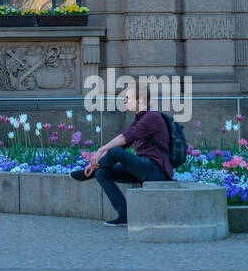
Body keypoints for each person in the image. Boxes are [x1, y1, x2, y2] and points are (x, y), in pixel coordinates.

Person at [70, 82, 173, 226]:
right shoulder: (139, 119)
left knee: (114, 152)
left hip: (155, 169)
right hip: (142, 168)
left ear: (139, 100)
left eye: (127, 97)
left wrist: (100, 153)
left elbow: (125, 139)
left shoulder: (152, 117)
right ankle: (124, 214)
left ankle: (94, 169)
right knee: (102, 173)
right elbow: (125, 141)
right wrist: (102, 155)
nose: (124, 100)